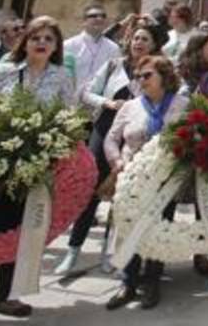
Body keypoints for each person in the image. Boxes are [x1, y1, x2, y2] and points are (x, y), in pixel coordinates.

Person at [0, 16, 77, 324]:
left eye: (49, 38)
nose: (42, 43)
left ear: (56, 46)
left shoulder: (61, 77)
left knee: (19, 238)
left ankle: (6, 298)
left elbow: (69, 120)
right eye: (36, 37)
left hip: (33, 172)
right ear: (26, 41)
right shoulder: (3, 72)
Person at [56, 23, 166, 276]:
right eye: (136, 38)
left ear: (154, 45)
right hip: (105, 128)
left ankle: (111, 251)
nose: (138, 42)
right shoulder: (114, 66)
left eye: (145, 39)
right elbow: (85, 93)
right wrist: (107, 102)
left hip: (135, 136)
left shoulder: (155, 71)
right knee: (92, 189)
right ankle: (74, 249)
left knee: (122, 192)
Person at [103, 55, 189, 311]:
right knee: (130, 229)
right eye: (138, 76)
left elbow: (194, 136)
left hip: (166, 181)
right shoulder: (131, 107)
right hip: (133, 179)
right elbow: (111, 138)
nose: (141, 81)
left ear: (164, 76)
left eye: (147, 75)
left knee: (158, 230)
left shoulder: (182, 105)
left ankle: (152, 281)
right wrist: (117, 161)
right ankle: (128, 283)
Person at [64, 2, 121, 100]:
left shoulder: (113, 49)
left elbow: (115, 78)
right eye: (93, 16)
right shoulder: (69, 45)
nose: (99, 19)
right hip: (71, 101)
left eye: (103, 16)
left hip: (100, 103)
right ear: (84, 21)